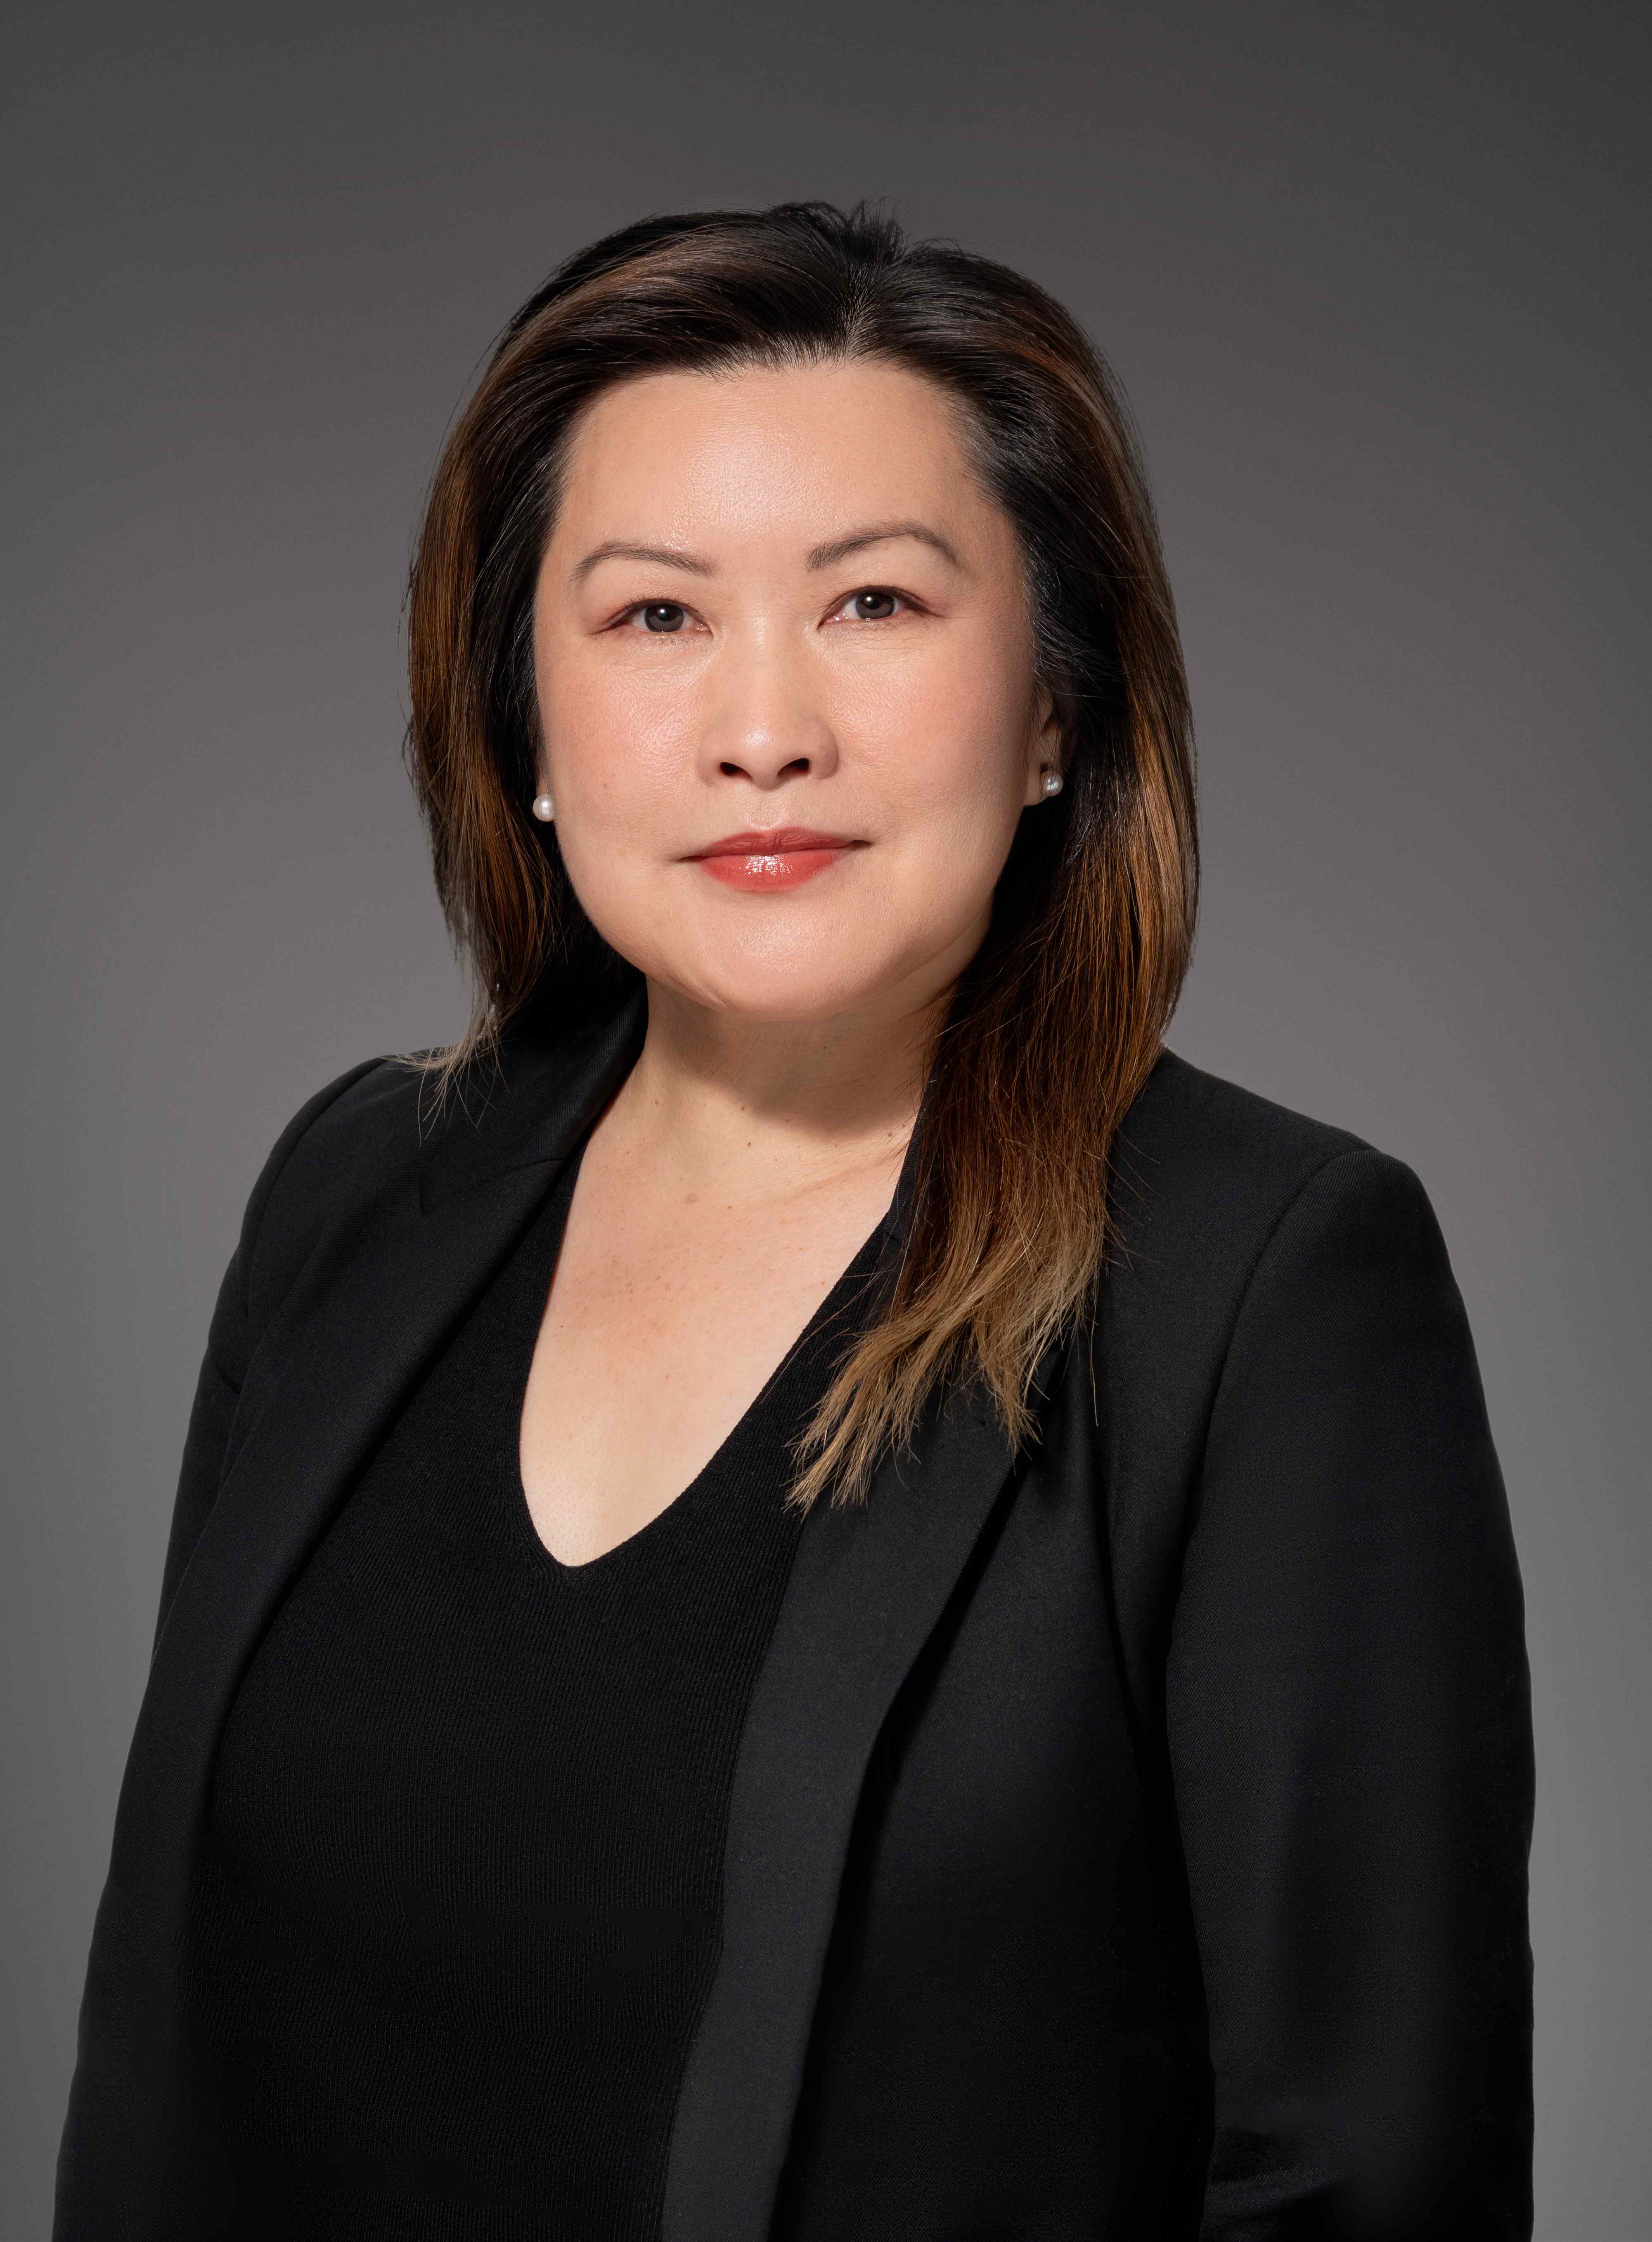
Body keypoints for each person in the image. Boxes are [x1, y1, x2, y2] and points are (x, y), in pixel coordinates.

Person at [53, 201, 1534, 2241]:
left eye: (874, 603)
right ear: (525, 722)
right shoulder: (352, 1193)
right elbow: (169, 2079)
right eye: (656, 616)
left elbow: (1365, 2182)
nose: (765, 729)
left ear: (1052, 708)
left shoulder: (1263, 1285)